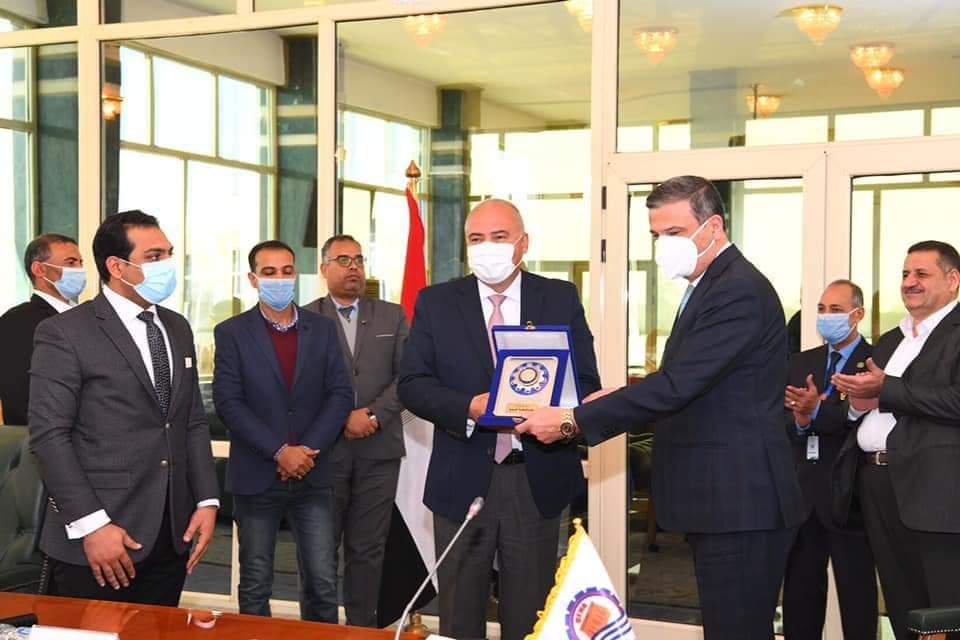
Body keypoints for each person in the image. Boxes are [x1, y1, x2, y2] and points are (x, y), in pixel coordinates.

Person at [518, 175, 804, 640]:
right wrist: (612, 397)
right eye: (656, 234)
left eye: (674, 232)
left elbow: (677, 386)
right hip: (725, 501)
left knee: (737, 630)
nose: (663, 245)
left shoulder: (737, 290)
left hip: (741, 502)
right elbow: (692, 379)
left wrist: (573, 420)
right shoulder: (711, 285)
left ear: (713, 227)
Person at [398, 199, 600, 640]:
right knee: (459, 618)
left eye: (499, 236)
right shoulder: (436, 302)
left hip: (535, 476)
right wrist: (468, 407)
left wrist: (555, 411)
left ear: (523, 243)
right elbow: (411, 384)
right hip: (461, 477)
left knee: (529, 617)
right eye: (476, 238)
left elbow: (586, 380)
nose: (487, 247)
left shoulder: (559, 298)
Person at [29, 210, 220, 605]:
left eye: (169, 253)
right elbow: (49, 437)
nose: (168, 264)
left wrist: (206, 500)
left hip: (171, 534)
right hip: (99, 538)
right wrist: (92, 526)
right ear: (117, 266)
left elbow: (191, 422)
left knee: (159, 632)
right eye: (154, 256)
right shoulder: (65, 332)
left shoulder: (177, 327)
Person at [212, 240, 353, 623]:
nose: (279, 278)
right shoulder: (232, 332)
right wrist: (279, 451)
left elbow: (340, 394)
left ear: (296, 275)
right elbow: (229, 402)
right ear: (253, 279)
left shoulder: (322, 329)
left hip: (313, 473)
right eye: (269, 272)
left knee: (323, 581)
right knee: (255, 582)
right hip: (257, 475)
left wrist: (306, 451)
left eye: (287, 271)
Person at [832, 240, 960, 640]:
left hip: (936, 491)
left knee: (943, 612)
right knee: (901, 603)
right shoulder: (891, 339)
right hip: (877, 484)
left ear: (953, 280)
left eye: (921, 274)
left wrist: (886, 388)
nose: (909, 282)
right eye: (905, 274)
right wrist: (858, 402)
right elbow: (882, 401)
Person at [306, 234, 409, 628]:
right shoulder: (305, 318)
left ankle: (363, 631)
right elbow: (300, 385)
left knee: (368, 551)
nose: (354, 267)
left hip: (379, 452)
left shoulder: (392, 316)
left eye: (359, 260)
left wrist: (373, 414)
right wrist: (341, 420)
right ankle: (317, 633)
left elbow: (408, 377)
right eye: (343, 260)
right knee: (318, 553)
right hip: (323, 454)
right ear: (324, 268)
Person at [781, 280, 877, 640]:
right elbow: (782, 418)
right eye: (821, 309)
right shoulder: (801, 362)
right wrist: (801, 420)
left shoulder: (874, 362)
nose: (826, 316)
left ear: (858, 314)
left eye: (836, 310)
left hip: (852, 496)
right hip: (804, 493)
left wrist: (817, 411)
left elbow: (863, 423)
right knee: (800, 594)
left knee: (857, 595)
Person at [0, 233, 85, 425]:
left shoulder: (85, 317)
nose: (79, 270)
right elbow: (20, 393)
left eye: (80, 263)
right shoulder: (18, 321)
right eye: (70, 263)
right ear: (39, 269)